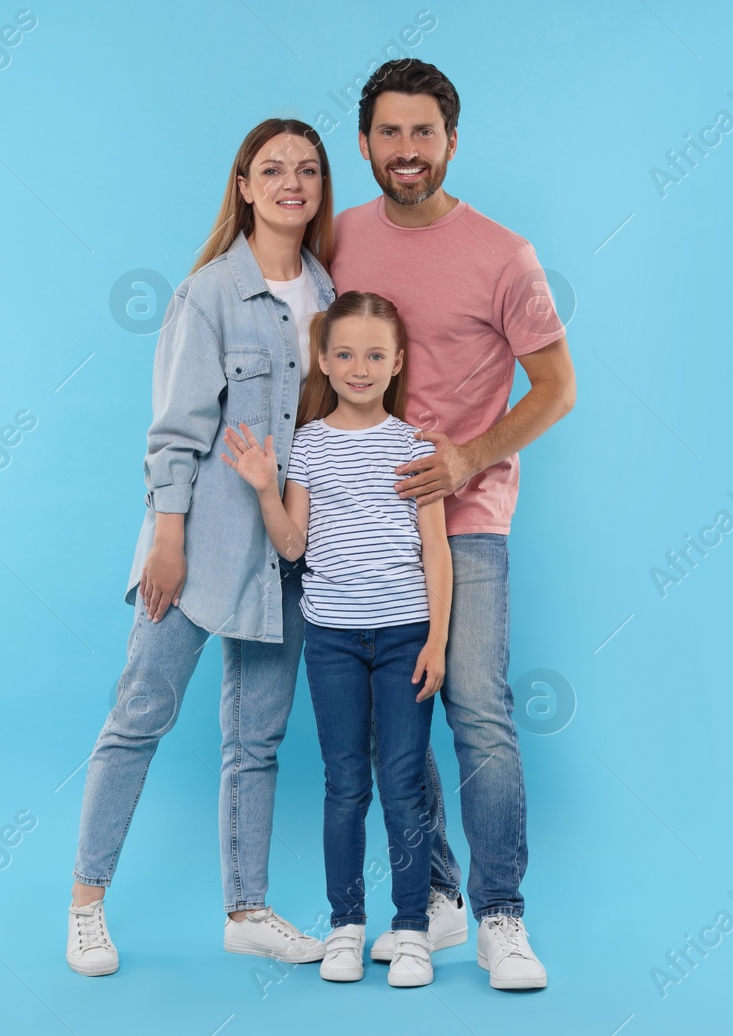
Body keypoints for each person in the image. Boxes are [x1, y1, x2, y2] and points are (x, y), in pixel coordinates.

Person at [66, 118, 338, 976]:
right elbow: (175, 432)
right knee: (137, 718)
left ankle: (247, 908)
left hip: (287, 556)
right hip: (199, 548)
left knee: (257, 739)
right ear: (245, 186)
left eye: (307, 169)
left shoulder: (332, 296)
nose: (291, 181)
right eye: (273, 169)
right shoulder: (209, 294)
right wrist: (167, 539)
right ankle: (85, 905)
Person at [330, 59, 577, 991]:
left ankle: (502, 915)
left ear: (451, 142)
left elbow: (558, 387)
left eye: (422, 133)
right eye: (388, 133)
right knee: (397, 715)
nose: (405, 151)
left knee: (475, 704)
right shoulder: (341, 238)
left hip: (466, 515)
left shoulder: (503, 254)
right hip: (359, 523)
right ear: (364, 144)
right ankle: (435, 894)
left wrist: (470, 457)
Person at [222, 291, 452, 988]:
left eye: (374, 355)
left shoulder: (416, 447)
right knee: (345, 781)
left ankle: (410, 928)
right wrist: (266, 487)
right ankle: (347, 925)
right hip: (332, 640)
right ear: (323, 359)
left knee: (404, 783)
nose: (359, 367)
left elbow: (436, 551)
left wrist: (437, 640)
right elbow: (292, 545)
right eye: (345, 353)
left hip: (405, 632)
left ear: (396, 363)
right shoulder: (311, 446)